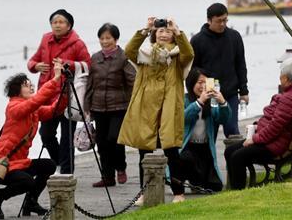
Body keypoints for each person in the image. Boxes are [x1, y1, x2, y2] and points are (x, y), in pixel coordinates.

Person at [118, 17, 194, 204]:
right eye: (160, 31)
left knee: (172, 151)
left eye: (167, 31)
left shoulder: (177, 56)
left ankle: (178, 193)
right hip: (147, 106)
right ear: (154, 34)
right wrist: (144, 29)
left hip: (168, 105)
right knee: (144, 152)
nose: (163, 34)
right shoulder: (145, 54)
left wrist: (178, 32)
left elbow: (189, 54)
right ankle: (144, 193)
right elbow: (129, 51)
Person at [0, 61, 64, 220]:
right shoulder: (14, 107)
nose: (31, 87)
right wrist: (55, 79)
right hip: (3, 164)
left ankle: (31, 203)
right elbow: (36, 101)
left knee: (49, 165)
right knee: (27, 181)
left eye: (31, 84)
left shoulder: (32, 109)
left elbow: (52, 111)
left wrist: (66, 93)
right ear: (17, 90)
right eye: (27, 85)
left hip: (20, 162)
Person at [26, 8, 90, 174]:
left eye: (61, 22)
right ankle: (59, 163)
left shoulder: (77, 43)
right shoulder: (46, 39)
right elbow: (33, 60)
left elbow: (88, 65)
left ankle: (67, 172)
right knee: (45, 134)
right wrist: (35, 66)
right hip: (46, 96)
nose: (57, 25)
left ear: (69, 26)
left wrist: (67, 63)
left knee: (67, 137)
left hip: (69, 95)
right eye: (54, 22)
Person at [224, 58, 292, 190]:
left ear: (286, 78)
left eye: (281, 76)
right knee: (230, 151)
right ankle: (234, 189)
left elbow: (274, 128)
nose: (280, 78)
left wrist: (254, 139)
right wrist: (256, 127)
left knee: (237, 156)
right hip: (273, 140)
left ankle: (238, 192)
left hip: (274, 146)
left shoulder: (289, 98)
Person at [84, 23, 136, 188]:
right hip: (98, 106)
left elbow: (132, 82)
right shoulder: (95, 58)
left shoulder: (124, 57)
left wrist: (133, 104)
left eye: (108, 38)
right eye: (102, 38)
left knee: (114, 138)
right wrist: (87, 106)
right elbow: (90, 83)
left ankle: (120, 167)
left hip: (119, 106)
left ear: (116, 39)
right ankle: (107, 177)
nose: (105, 41)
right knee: (102, 142)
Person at [189, 3, 249, 138]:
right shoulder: (198, 40)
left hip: (230, 94)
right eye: (218, 21)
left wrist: (244, 91)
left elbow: (241, 65)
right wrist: (196, 94)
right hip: (208, 94)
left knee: (232, 131)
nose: (222, 24)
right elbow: (193, 71)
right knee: (208, 134)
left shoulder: (234, 37)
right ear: (209, 20)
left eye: (225, 20)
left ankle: (234, 159)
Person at [179, 68, 230, 192]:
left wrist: (222, 102)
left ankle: (198, 181)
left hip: (205, 148)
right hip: (188, 147)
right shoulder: (184, 99)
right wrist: (199, 102)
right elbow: (183, 118)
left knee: (215, 187)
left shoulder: (211, 102)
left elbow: (223, 119)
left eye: (205, 82)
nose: (203, 86)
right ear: (191, 84)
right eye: (199, 82)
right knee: (187, 160)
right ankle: (191, 181)